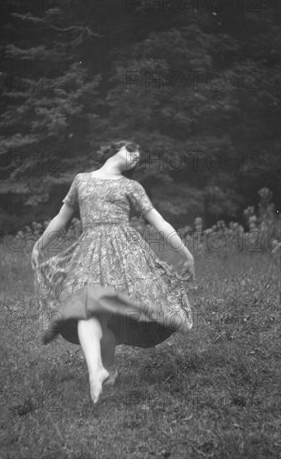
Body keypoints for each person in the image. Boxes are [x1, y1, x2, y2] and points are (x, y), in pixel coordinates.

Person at [31, 140, 195, 404]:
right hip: (89, 254)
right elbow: (62, 218)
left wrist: (185, 252)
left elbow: (159, 222)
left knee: (100, 314)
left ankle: (106, 367)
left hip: (123, 257)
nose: (137, 158)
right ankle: (98, 369)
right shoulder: (81, 180)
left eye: (140, 157)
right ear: (117, 149)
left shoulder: (132, 186)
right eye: (135, 151)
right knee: (87, 310)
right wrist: (40, 245)